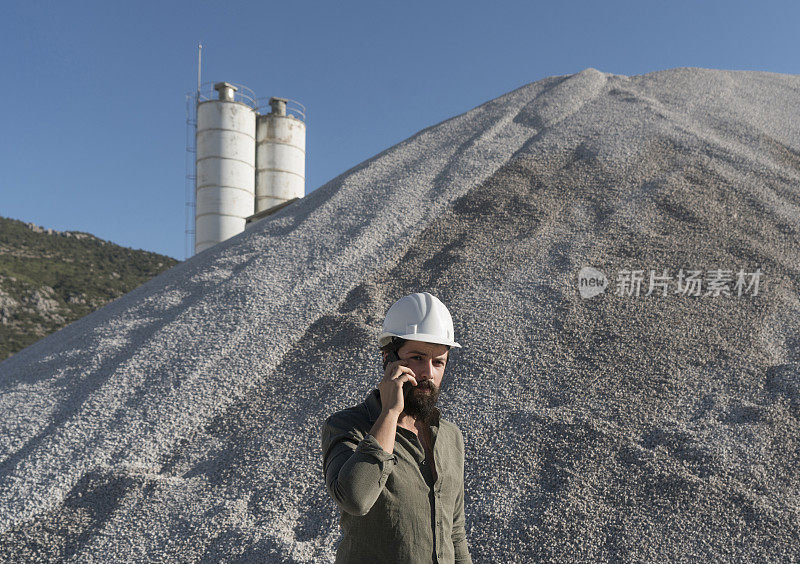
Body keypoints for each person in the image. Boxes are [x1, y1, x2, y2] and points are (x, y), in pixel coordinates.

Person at [321, 292, 472, 563]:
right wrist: (390, 413)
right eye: (417, 357)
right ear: (388, 358)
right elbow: (355, 499)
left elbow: (455, 533)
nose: (428, 372)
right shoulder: (347, 426)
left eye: (438, 362)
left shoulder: (450, 436)